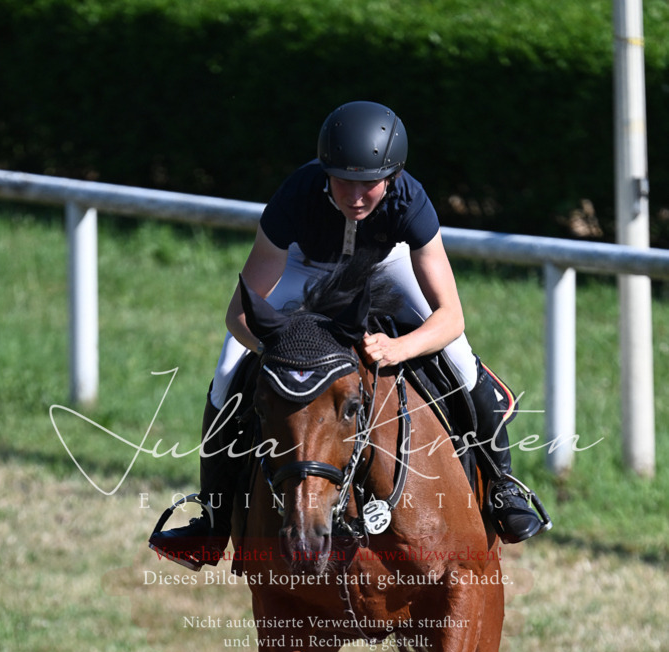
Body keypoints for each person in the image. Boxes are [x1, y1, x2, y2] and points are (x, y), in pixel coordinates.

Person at [149, 100, 549, 570]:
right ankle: (213, 518)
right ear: (324, 170)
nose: (356, 195)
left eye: (370, 183)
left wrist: (400, 347)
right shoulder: (295, 195)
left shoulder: (410, 201)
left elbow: (451, 317)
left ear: (393, 177)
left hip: (386, 262)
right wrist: (277, 352)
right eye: (343, 179)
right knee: (227, 367)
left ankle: (502, 485)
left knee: (460, 360)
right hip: (305, 266)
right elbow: (239, 313)